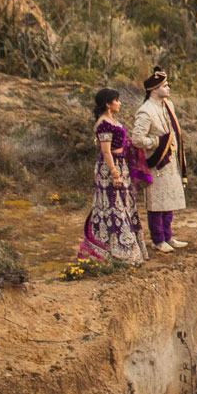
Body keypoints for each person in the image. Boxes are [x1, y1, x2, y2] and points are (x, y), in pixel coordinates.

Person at [77, 87, 148, 264]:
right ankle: (117, 251)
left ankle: (125, 248)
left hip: (120, 164)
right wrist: (114, 174)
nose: (120, 103)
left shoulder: (111, 120)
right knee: (113, 206)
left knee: (123, 204)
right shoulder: (104, 124)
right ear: (108, 104)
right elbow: (106, 152)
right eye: (117, 100)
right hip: (110, 168)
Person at [130, 66, 190, 252]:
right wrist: (156, 142)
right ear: (154, 89)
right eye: (165, 85)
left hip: (170, 161)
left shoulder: (168, 106)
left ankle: (168, 236)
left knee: (168, 201)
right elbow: (137, 139)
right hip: (156, 162)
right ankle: (158, 239)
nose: (168, 88)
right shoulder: (145, 111)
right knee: (157, 203)